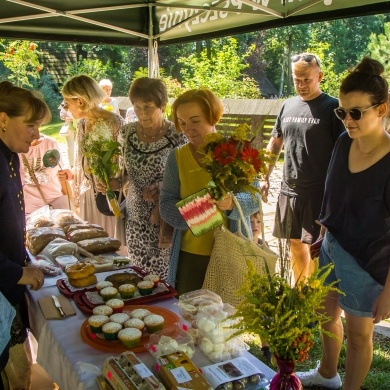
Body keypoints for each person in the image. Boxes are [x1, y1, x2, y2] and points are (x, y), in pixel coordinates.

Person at [296, 57, 390, 389]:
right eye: (342, 112)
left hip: (368, 260)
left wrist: (389, 291)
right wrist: (323, 235)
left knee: (360, 335)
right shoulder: (342, 142)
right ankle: (327, 374)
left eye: (356, 112)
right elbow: (333, 194)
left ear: (382, 108)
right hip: (333, 246)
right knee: (326, 317)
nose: (347, 120)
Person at [159, 88, 260, 295]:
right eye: (182, 122)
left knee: (227, 320)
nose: (188, 129)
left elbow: (255, 198)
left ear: (212, 116)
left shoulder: (238, 150)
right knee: (189, 316)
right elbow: (166, 202)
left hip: (231, 252)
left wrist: (232, 203)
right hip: (190, 255)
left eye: (195, 121)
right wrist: (193, 217)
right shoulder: (176, 157)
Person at [261, 52, 345, 283]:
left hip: (319, 192)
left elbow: (344, 152)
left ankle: (315, 300)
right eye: (296, 79)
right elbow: (275, 142)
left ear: (320, 76)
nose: (301, 85)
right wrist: (264, 177)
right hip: (289, 189)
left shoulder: (332, 108)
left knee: (315, 247)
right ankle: (301, 292)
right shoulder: (287, 106)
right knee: (294, 244)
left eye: (306, 79)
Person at [0, 81, 50, 389]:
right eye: (30, 125)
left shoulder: (10, 156)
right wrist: (19, 272)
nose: (37, 135)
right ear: (3, 120)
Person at [120, 77, 187, 279]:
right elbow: (125, 173)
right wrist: (115, 182)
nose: (141, 113)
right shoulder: (126, 133)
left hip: (165, 218)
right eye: (136, 106)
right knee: (138, 276)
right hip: (135, 218)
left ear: (163, 105)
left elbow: (184, 176)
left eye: (147, 107)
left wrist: (161, 187)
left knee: (163, 278)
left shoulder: (177, 135)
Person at [59, 75, 125, 237]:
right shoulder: (82, 124)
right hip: (88, 193)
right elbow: (81, 159)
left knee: (111, 241)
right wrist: (73, 174)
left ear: (80, 101)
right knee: (91, 242)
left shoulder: (116, 122)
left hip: (110, 195)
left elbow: (125, 161)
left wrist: (115, 182)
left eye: (66, 103)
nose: (66, 108)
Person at [19, 133, 71, 214]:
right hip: (30, 211)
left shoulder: (50, 143)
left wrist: (71, 203)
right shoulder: (16, 148)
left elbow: (61, 176)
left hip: (56, 205)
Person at [59, 100, 77, 168]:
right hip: (69, 126)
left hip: (79, 124)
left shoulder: (81, 98)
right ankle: (72, 165)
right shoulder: (65, 101)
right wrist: (67, 118)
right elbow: (61, 115)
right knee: (70, 146)